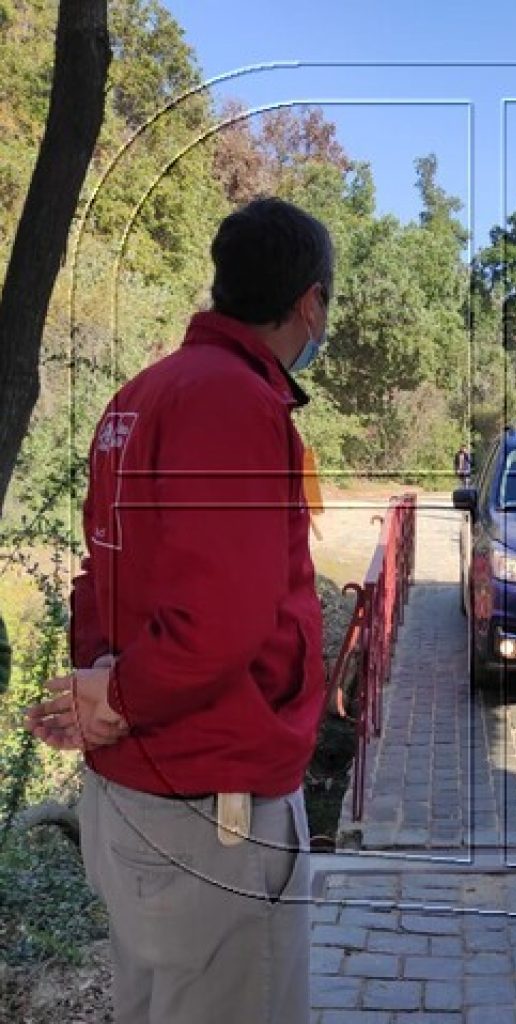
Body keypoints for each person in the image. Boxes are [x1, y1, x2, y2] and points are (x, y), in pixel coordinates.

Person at [25, 197, 332, 1024]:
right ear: (310, 301)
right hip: (215, 810)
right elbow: (222, 621)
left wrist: (102, 689)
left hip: (140, 795)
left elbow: (101, 577)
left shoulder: (140, 397)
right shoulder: (235, 403)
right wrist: (117, 698)